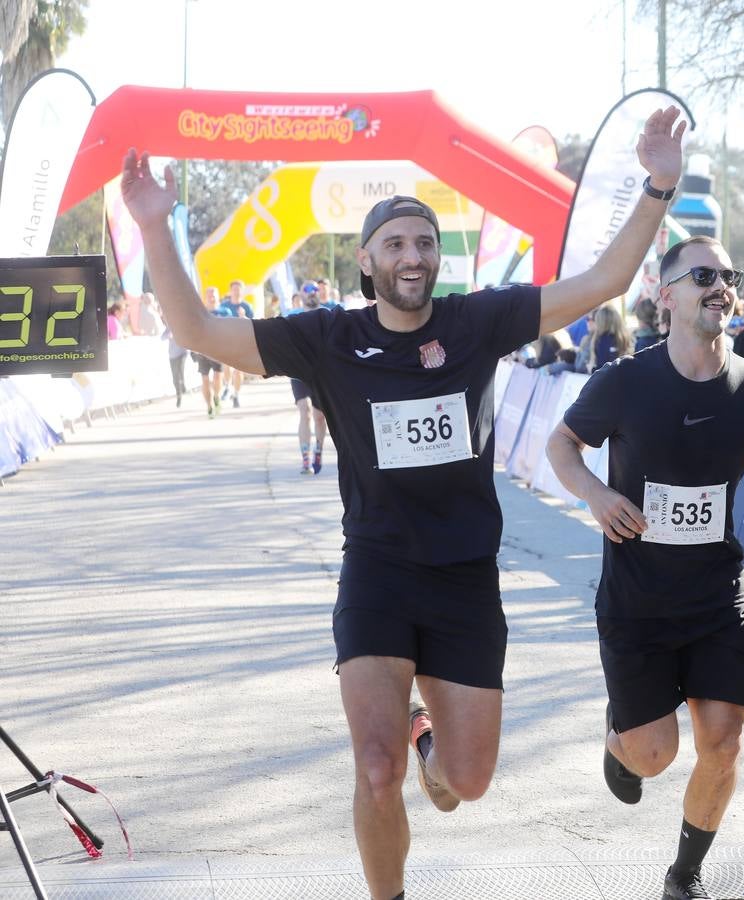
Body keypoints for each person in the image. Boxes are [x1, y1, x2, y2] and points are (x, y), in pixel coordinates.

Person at [120, 105, 686, 900]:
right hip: (379, 575)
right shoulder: (327, 337)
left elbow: (603, 284)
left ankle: (431, 738)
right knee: (377, 772)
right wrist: (151, 225)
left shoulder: (477, 321)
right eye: (396, 243)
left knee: (467, 782)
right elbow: (199, 329)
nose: (413, 255)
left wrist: (660, 185)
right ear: (367, 260)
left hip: (463, 581)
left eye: (425, 241)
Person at [545, 234, 744, 900]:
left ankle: (685, 875)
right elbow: (562, 443)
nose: (721, 285)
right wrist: (597, 493)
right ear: (665, 294)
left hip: (719, 593)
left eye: (729, 274)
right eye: (703, 274)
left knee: (723, 742)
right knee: (654, 754)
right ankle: (621, 743)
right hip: (636, 600)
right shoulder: (626, 381)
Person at [286, 289, 328, 474]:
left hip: (321, 373)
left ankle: (318, 450)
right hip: (298, 372)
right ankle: (305, 458)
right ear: (301, 295)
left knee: (320, 417)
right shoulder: (292, 315)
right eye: (307, 290)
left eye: (314, 290)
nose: (311, 293)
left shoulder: (328, 313)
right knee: (305, 411)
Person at [218, 280, 255, 408]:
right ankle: (227, 386)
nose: (236, 291)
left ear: (242, 291)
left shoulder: (247, 306)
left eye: (238, 289)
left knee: (239, 371)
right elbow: (217, 322)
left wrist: (243, 317)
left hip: (241, 341)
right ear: (230, 291)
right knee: (227, 365)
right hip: (227, 341)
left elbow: (253, 325)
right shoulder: (224, 306)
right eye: (234, 289)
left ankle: (236, 394)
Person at [192, 287, 228, 418]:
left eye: (214, 295)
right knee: (205, 379)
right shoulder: (200, 311)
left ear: (218, 296)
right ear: (205, 297)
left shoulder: (225, 311)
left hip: (218, 350)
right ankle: (209, 407)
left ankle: (217, 396)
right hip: (202, 350)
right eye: (209, 295)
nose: (211, 297)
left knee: (217, 377)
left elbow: (230, 328)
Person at [587, 300, 634, 371]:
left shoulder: (601, 340)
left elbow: (603, 369)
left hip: (610, 380)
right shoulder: (625, 338)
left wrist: (591, 369)